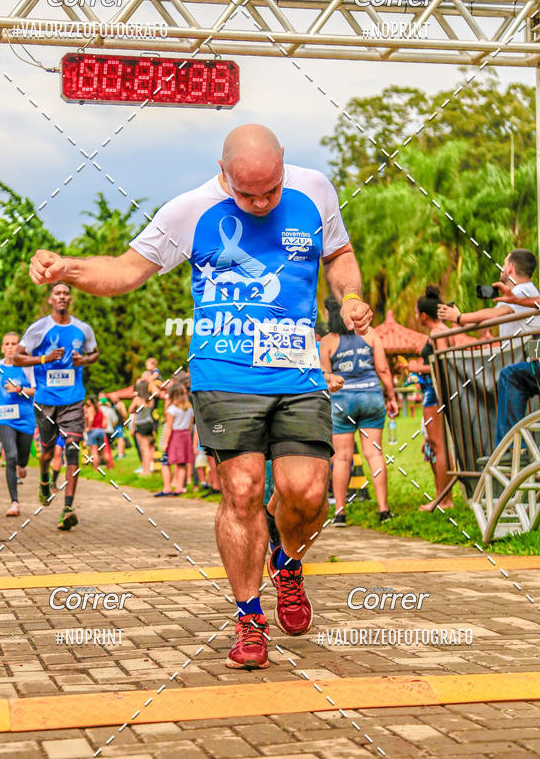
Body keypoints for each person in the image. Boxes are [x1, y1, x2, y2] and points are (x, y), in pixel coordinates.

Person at [27, 123, 372, 670]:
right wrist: (66, 268)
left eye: (271, 190)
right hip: (224, 371)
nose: (260, 203)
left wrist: (349, 297)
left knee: (305, 494)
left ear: (284, 161)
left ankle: (287, 563)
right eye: (247, 193)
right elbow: (125, 270)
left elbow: (341, 255)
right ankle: (250, 617)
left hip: (297, 370)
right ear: (222, 171)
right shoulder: (187, 210)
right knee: (242, 490)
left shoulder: (316, 190)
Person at [14, 282, 99, 531]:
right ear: (51, 299)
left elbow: (95, 353)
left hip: (73, 399)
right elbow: (18, 357)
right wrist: (43, 359)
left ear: (70, 299)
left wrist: (84, 359)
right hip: (46, 401)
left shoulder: (83, 328)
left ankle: (68, 507)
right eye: (57, 293)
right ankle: (43, 479)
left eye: (65, 293)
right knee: (48, 452)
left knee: (73, 448)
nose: (62, 297)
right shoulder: (39, 328)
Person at [320, 296, 398, 525]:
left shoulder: (328, 341)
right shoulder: (370, 334)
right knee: (374, 454)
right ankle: (384, 510)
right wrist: (391, 396)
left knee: (342, 458)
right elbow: (382, 369)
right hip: (371, 397)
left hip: (342, 402)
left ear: (328, 315)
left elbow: (326, 377)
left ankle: (340, 512)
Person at [414, 285, 465, 511]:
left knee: (438, 446)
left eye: (417, 313)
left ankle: (444, 499)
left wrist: (417, 367)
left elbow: (441, 363)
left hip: (435, 394)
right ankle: (443, 497)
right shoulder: (446, 330)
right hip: (440, 393)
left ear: (424, 315)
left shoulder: (437, 333)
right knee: (439, 446)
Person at [0, 332, 36, 516]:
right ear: (2, 347)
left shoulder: (27, 366)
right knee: (10, 456)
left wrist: (18, 389)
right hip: (4, 417)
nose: (11, 347)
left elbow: (36, 391)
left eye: (14, 343)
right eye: (7, 343)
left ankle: (23, 466)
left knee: (21, 458)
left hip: (26, 418)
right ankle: (14, 502)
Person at [439, 250, 540, 338]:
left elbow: (494, 314)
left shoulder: (521, 290)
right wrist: (460, 320)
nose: (502, 268)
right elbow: (487, 319)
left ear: (510, 268)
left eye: (503, 264)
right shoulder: (528, 289)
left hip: (523, 357)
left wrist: (459, 317)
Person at [162, 382, 195, 494]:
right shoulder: (190, 409)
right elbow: (190, 426)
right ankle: (179, 488)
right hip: (185, 436)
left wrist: (165, 443)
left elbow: (169, 427)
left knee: (165, 461)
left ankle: (167, 488)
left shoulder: (172, 409)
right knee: (182, 463)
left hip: (175, 436)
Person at [130, 381, 156, 478]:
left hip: (141, 425)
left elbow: (130, 410)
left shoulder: (137, 399)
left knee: (143, 449)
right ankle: (148, 469)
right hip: (149, 424)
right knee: (148, 449)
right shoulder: (150, 399)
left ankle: (146, 471)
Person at [85, 395, 109, 470]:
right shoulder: (99, 409)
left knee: (94, 452)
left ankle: (95, 469)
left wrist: (88, 427)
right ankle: (109, 467)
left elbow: (91, 419)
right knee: (103, 451)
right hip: (101, 431)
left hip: (93, 431)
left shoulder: (90, 409)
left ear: (90, 401)